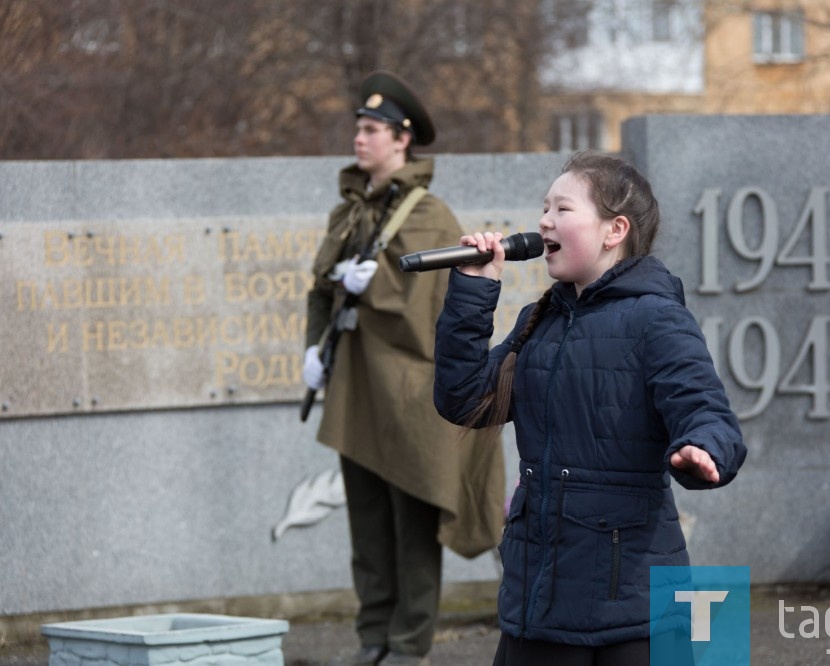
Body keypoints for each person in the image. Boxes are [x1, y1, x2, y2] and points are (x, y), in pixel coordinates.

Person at [433, 151, 748, 666]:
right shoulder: (541, 321)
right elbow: (464, 400)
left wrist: (702, 449)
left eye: (562, 209)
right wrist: (474, 289)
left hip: (633, 611)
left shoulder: (656, 319)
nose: (543, 221)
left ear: (614, 230)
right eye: (543, 208)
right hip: (538, 601)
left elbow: (707, 412)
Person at [302, 70, 505, 666]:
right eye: (358, 129)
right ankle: (373, 637)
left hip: (408, 394)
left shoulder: (429, 214)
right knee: (367, 525)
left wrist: (382, 284)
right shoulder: (353, 210)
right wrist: (313, 349)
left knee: (411, 520)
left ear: (402, 139)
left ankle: (408, 644)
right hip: (358, 388)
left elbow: (432, 313)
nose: (359, 140)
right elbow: (323, 286)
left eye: (372, 130)